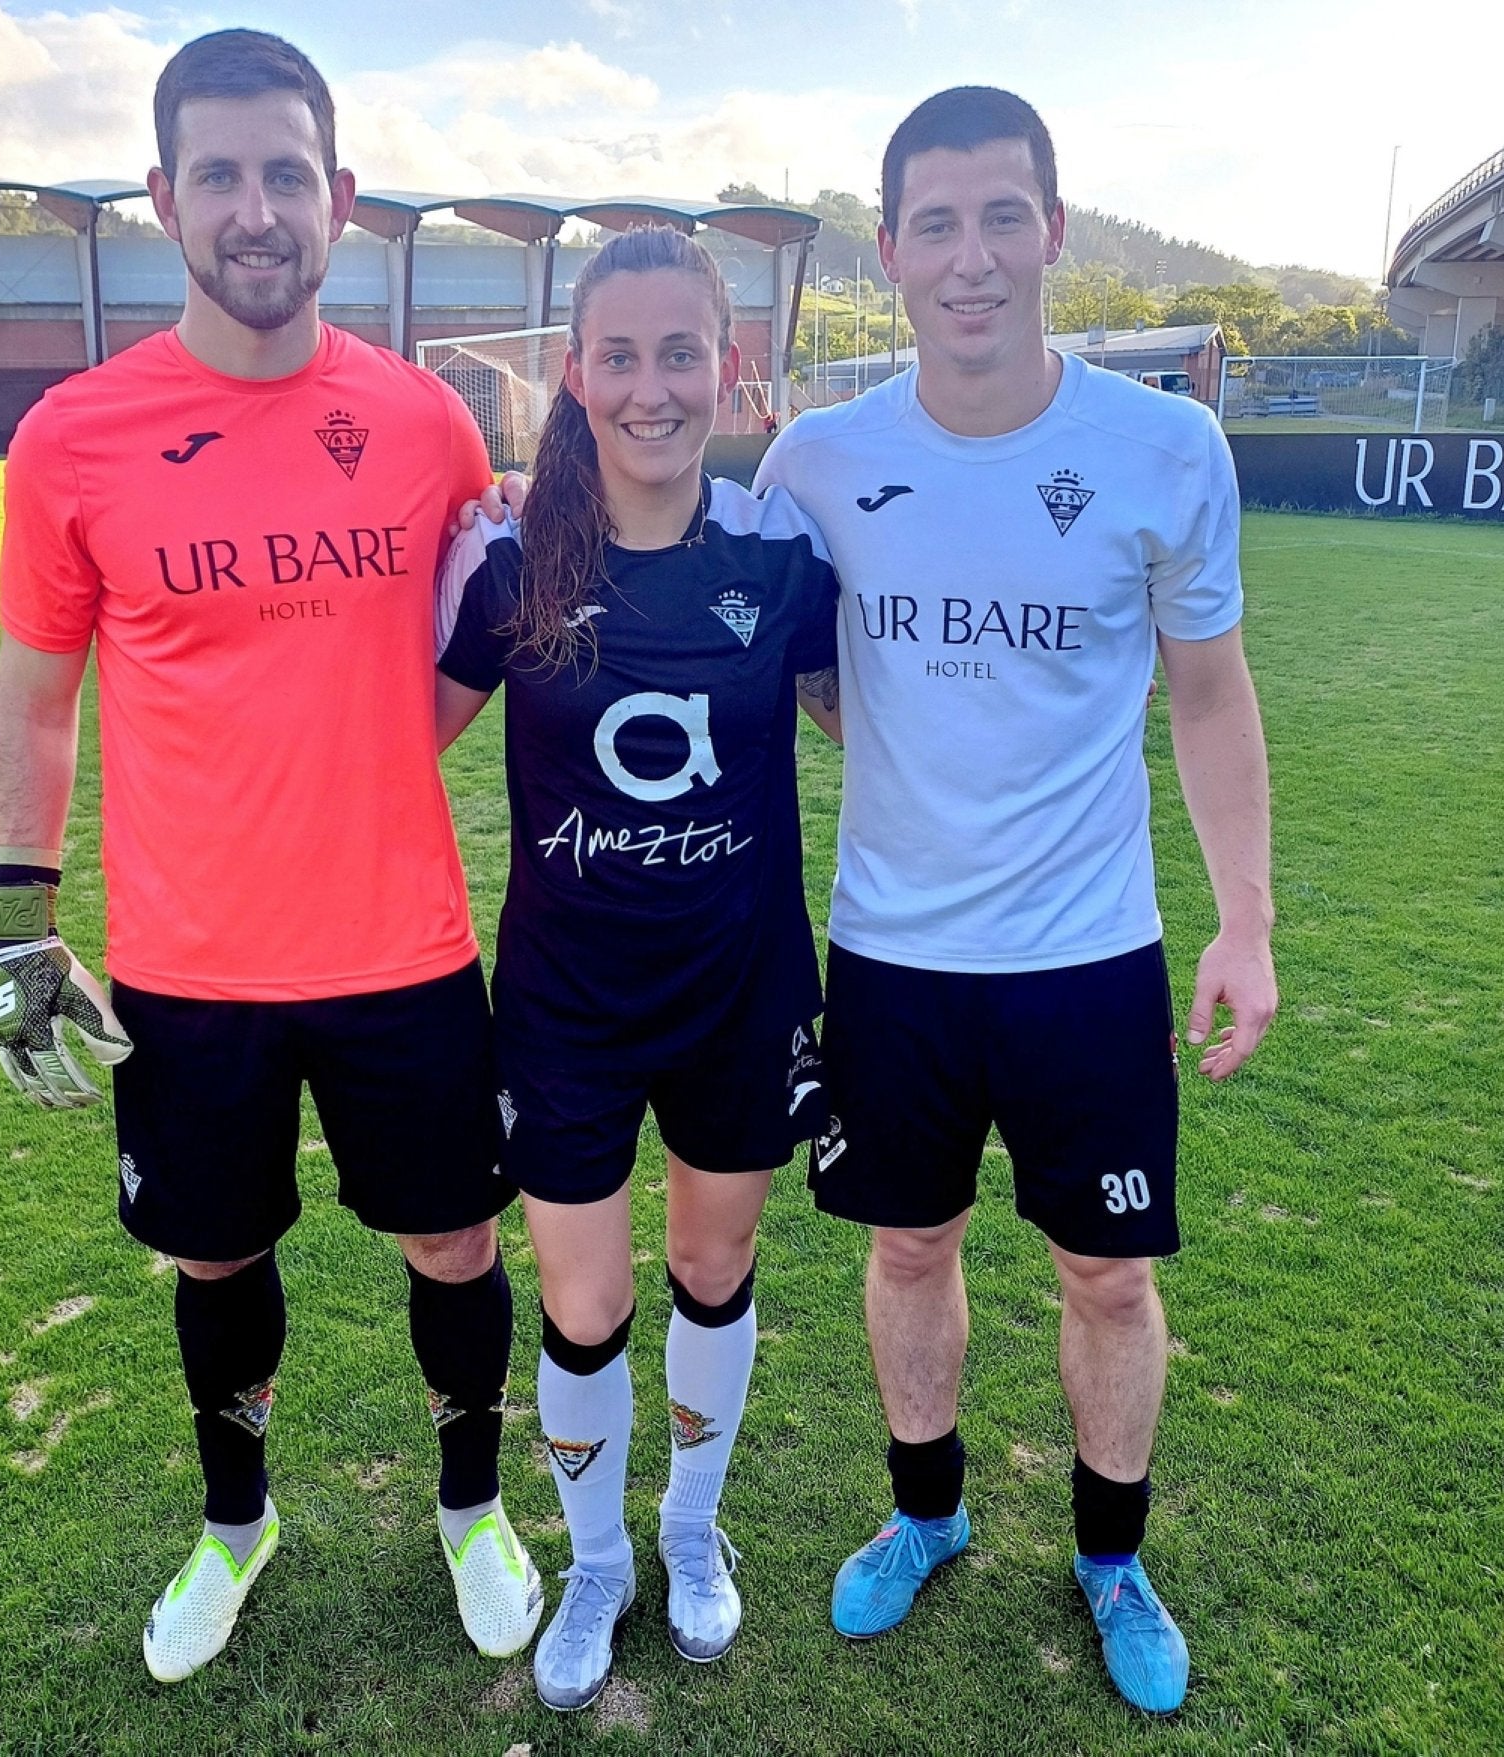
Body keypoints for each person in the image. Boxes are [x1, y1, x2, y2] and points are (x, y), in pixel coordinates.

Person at [0, 29, 543, 1684]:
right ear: (164, 199)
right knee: (216, 1253)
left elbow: (471, 636)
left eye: (285, 174)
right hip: (188, 963)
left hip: (403, 946)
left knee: (457, 1244)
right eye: (218, 175)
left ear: (338, 197)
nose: (255, 209)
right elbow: (36, 697)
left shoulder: (425, 421)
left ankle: (471, 1507)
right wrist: (21, 922)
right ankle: (238, 1522)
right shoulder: (74, 437)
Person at [753, 86, 1277, 1715]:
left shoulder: (1165, 449)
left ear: (1052, 230)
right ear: (890, 249)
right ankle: (927, 1512)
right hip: (893, 957)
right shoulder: (819, 460)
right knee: (910, 1246)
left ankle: (1113, 1558)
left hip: (1090, 959)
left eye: (1001, 217)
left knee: (1108, 1273)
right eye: (936, 223)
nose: (969, 256)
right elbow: (796, 667)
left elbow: (1210, 692)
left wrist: (1247, 920)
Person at [434, 225, 841, 1712]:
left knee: (714, 1272)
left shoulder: (780, 554)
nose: (651, 388)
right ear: (573, 372)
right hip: (567, 1011)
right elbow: (390, 741)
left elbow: (884, 727)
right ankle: (599, 1557)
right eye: (620, 356)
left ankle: (688, 1526)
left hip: (740, 990)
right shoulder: (507, 562)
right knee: (587, 1303)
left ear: (729, 367)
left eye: (681, 354)